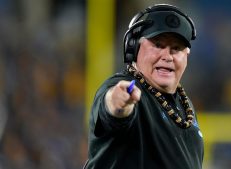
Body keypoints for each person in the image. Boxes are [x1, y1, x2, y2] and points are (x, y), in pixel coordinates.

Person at [84, 4, 204, 169]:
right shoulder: (126, 88)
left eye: (176, 49)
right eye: (158, 45)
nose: (167, 56)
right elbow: (113, 109)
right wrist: (119, 104)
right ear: (134, 48)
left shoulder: (185, 104)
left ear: (186, 56)